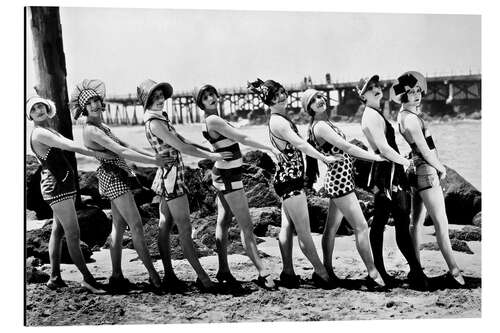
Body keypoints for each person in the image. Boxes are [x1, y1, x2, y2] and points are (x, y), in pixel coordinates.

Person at [71, 79, 166, 293]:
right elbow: (120, 152)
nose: (95, 105)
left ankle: (116, 275)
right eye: (90, 103)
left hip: (117, 175)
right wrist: (154, 163)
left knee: (119, 227)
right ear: (84, 108)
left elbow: (125, 145)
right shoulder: (92, 130)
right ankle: (153, 275)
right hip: (112, 178)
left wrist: (151, 155)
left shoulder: (101, 126)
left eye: (96, 100)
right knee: (137, 225)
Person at [138, 79, 231, 292]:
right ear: (147, 101)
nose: (160, 100)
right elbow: (180, 146)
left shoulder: (158, 119)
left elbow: (183, 141)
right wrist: (212, 155)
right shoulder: (155, 122)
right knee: (184, 229)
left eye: (161, 96)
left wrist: (208, 150)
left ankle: (169, 274)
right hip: (171, 179)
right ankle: (202, 278)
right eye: (154, 97)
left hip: (166, 176)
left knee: (164, 225)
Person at [248, 79, 342, 289]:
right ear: (269, 101)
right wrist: (324, 159)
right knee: (304, 232)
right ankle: (321, 273)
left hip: (286, 180)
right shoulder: (279, 121)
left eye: (282, 91)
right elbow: (300, 144)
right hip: (290, 182)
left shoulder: (279, 118)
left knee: (287, 226)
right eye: (276, 95)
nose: (282, 96)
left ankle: (288, 272)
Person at [193, 84, 278, 289]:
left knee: (223, 221)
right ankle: (262, 271)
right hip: (229, 177)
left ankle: (223, 269)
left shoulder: (213, 120)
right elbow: (242, 138)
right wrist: (270, 148)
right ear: (201, 104)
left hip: (224, 173)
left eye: (212, 93)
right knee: (246, 226)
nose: (211, 97)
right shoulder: (213, 120)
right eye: (205, 97)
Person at [302, 88, 386, 289]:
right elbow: (346, 147)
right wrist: (375, 157)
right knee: (361, 227)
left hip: (339, 180)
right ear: (309, 108)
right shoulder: (320, 126)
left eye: (320, 97)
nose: (320, 100)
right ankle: (373, 274)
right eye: (314, 100)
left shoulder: (324, 123)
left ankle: (325, 271)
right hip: (340, 182)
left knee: (331, 229)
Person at [27, 95, 109, 294]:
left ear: (48, 108)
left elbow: (66, 141)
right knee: (73, 234)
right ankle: (88, 279)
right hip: (56, 188)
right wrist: (98, 153)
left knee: (58, 231)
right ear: (29, 115)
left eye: (41, 106)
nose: (39, 110)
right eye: (34, 109)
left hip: (63, 185)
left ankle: (54, 277)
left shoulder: (48, 130)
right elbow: (69, 146)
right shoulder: (39, 134)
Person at [392, 71, 465, 286]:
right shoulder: (412, 119)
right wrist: (441, 168)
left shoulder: (402, 116)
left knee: (416, 223)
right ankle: (455, 272)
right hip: (425, 171)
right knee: (441, 224)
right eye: (410, 92)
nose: (416, 95)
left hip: (415, 171)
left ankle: (415, 269)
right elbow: (424, 149)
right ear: (402, 96)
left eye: (417, 91)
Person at [358, 74, 429, 290]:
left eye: (378, 86)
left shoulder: (374, 113)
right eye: (371, 88)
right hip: (388, 173)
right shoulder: (371, 115)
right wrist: (404, 162)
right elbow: (383, 147)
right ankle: (411, 272)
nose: (377, 89)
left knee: (385, 222)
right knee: (394, 222)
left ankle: (389, 271)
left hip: (386, 172)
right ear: (363, 95)